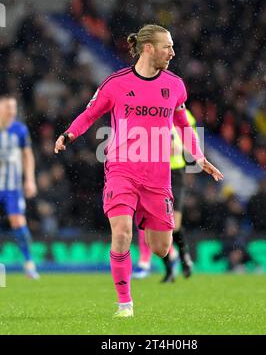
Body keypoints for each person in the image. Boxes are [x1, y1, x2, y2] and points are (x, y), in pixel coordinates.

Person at [54, 24, 224, 318]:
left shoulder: (175, 85)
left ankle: (149, 224)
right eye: (167, 46)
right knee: (121, 234)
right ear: (148, 48)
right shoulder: (115, 84)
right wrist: (69, 135)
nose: (172, 52)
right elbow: (90, 113)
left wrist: (198, 156)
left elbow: (183, 124)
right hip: (122, 169)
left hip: (158, 175)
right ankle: (125, 304)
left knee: (161, 247)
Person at [133, 109, 197, 282]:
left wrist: (180, 147)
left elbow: (193, 140)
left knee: (174, 224)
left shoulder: (186, 115)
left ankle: (184, 258)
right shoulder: (153, 112)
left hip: (175, 172)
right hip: (154, 172)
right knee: (158, 222)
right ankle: (169, 269)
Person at [0, 94, 39, 279]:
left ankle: (29, 263)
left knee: (18, 221)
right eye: (8, 107)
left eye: (14, 108)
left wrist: (29, 179)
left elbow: (28, 156)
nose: (11, 112)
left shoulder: (19, 130)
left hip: (12, 186)